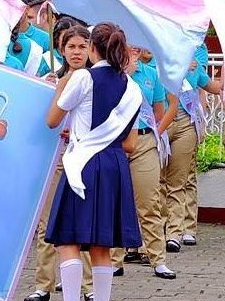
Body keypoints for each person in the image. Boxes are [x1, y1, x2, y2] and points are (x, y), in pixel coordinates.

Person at [44, 23, 143, 301]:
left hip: (83, 164)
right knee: (102, 245)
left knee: (68, 239)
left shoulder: (82, 78)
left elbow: (52, 121)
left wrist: (61, 86)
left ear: (92, 48)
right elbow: (131, 144)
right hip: (114, 164)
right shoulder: (133, 89)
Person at [26, 25, 92, 301]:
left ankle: (87, 286)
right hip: (56, 158)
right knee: (47, 224)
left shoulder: (95, 80)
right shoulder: (52, 79)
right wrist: (56, 87)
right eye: (71, 47)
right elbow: (46, 120)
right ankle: (44, 284)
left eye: (81, 47)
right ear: (61, 50)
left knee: (85, 223)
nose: (76, 52)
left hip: (85, 159)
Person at [116, 45, 178, 280]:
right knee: (116, 202)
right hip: (116, 143)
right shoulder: (114, 73)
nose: (134, 49)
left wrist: (154, 134)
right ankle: (114, 259)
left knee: (149, 202)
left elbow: (159, 111)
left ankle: (158, 259)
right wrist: (125, 74)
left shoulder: (151, 74)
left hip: (143, 141)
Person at [162, 47, 222, 253]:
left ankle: (174, 234)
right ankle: (157, 229)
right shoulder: (153, 60)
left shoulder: (194, 58)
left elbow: (211, 86)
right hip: (159, 123)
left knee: (178, 181)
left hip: (186, 122)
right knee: (158, 181)